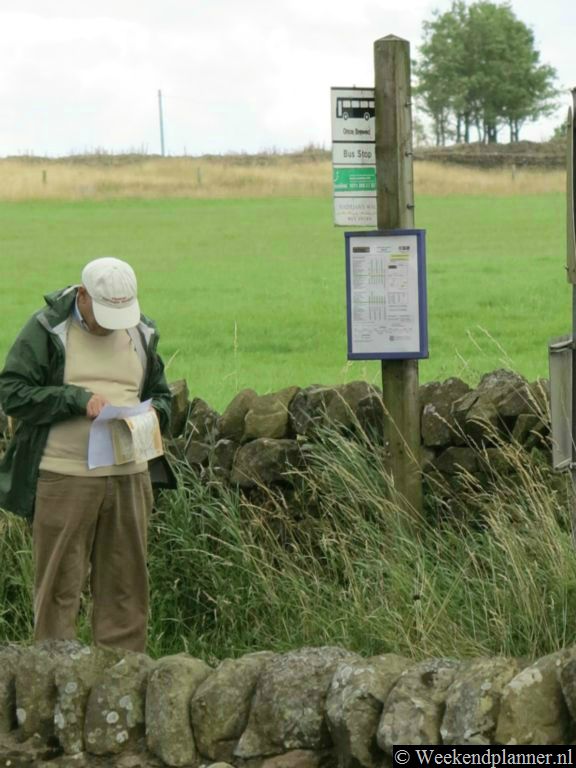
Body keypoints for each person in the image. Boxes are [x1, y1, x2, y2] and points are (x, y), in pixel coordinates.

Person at [0, 257, 172, 652]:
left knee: (126, 585)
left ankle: (121, 680)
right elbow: (12, 392)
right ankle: (54, 678)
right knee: (60, 585)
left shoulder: (142, 331)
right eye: (105, 313)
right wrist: (75, 400)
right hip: (65, 476)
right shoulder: (46, 329)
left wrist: (153, 414)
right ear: (82, 295)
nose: (114, 324)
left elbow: (161, 396)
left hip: (130, 475)